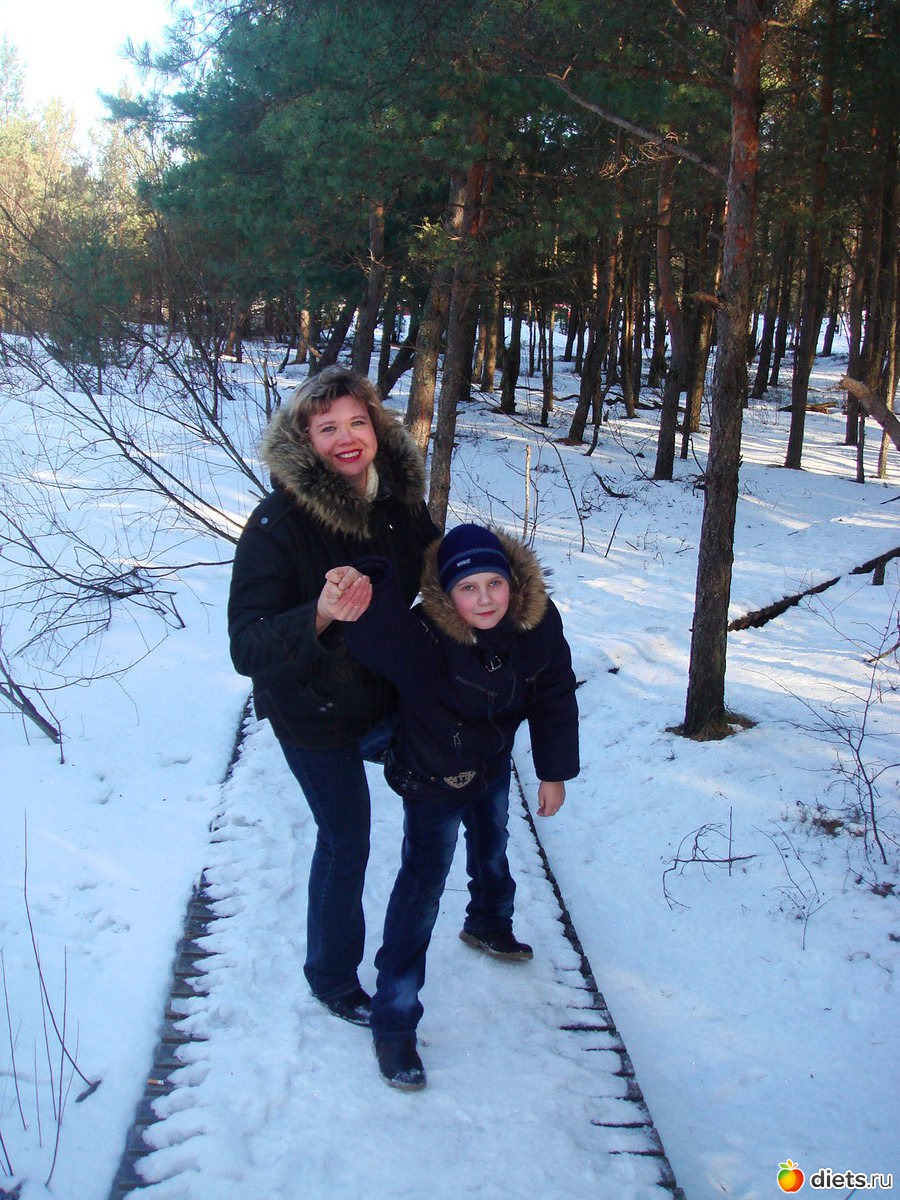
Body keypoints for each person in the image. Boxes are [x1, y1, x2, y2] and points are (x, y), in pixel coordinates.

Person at [227, 365, 438, 1026]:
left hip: (380, 691)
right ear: (306, 440)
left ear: (376, 428)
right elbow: (247, 647)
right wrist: (318, 614)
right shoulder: (276, 525)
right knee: (347, 838)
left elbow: (437, 571)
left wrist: (493, 588)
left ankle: (490, 908)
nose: (346, 438)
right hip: (310, 707)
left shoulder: (398, 502)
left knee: (466, 768)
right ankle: (332, 977)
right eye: (328, 428)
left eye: (357, 422)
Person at [339, 523, 579, 1090]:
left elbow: (554, 692)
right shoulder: (422, 635)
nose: (485, 599)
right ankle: (394, 1022)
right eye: (468, 588)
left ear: (513, 582)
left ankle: (488, 923)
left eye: (494, 583)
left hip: (490, 760)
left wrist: (553, 772)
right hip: (432, 776)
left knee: (493, 841)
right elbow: (370, 638)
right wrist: (369, 579)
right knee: (421, 894)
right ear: (447, 596)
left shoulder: (537, 624)